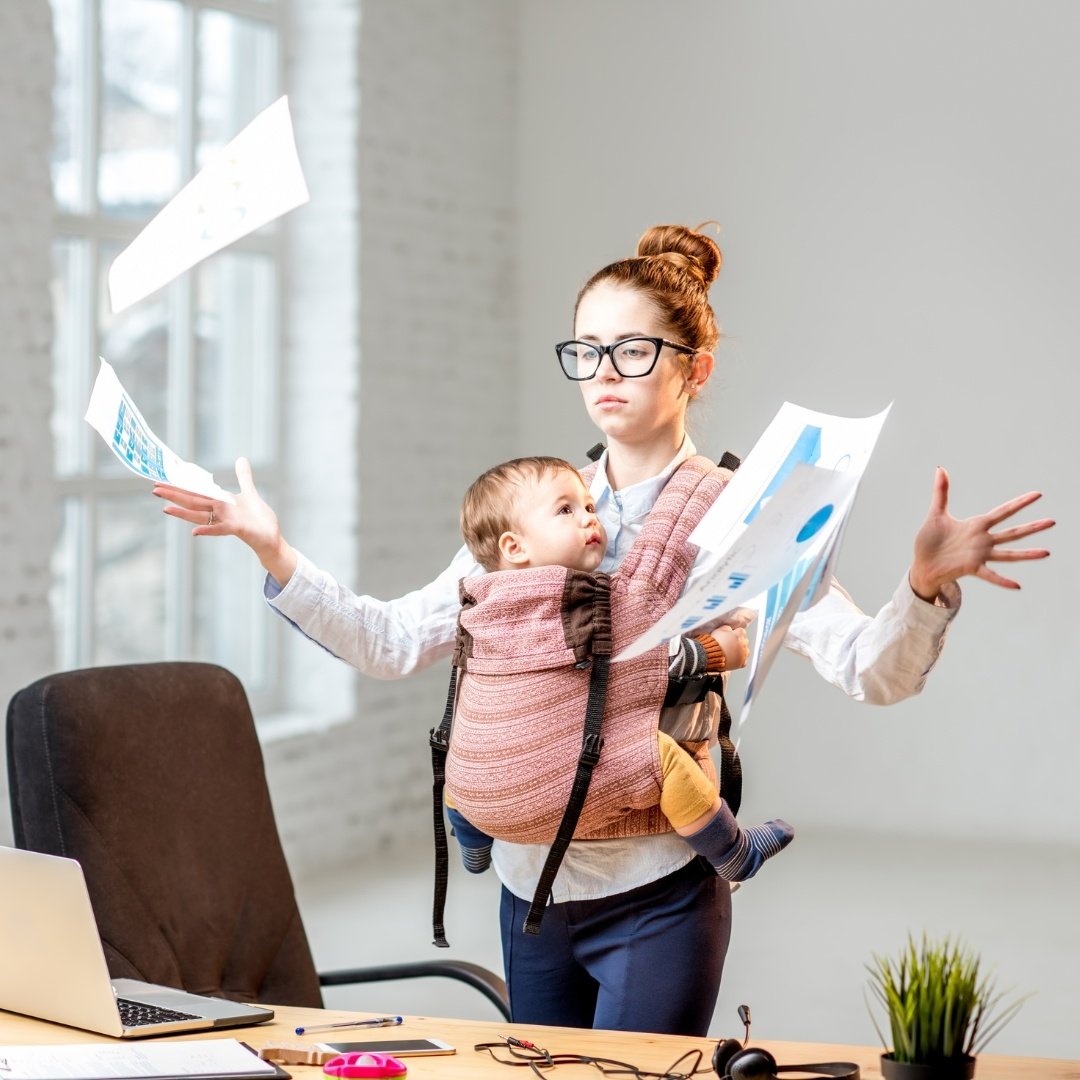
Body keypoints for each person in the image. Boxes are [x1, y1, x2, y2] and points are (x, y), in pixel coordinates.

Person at [151, 222, 1053, 1037]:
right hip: (527, 893)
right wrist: (274, 552)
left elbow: (872, 670)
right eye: (586, 351)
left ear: (694, 368)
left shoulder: (745, 515)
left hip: (657, 893)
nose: (605, 373)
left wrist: (924, 586)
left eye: (632, 349)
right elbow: (391, 642)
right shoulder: (534, 513)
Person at [447, 453, 791, 882]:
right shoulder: (572, 599)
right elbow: (632, 662)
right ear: (514, 546)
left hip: (479, 801)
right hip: (550, 797)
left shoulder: (478, 605)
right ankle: (733, 850)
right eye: (565, 510)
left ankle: (473, 846)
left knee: (465, 748)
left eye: (590, 507)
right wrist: (714, 652)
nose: (590, 519)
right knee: (663, 757)